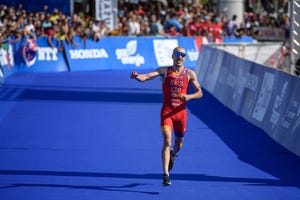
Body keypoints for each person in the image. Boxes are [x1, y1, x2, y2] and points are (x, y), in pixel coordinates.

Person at [130, 46, 203, 186]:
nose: (180, 57)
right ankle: (165, 175)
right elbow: (147, 77)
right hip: (167, 113)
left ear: (185, 58)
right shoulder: (164, 71)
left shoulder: (189, 74)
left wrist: (188, 96)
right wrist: (137, 76)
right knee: (167, 141)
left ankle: (173, 156)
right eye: (177, 54)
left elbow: (200, 93)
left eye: (182, 55)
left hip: (181, 114)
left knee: (179, 144)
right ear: (173, 56)